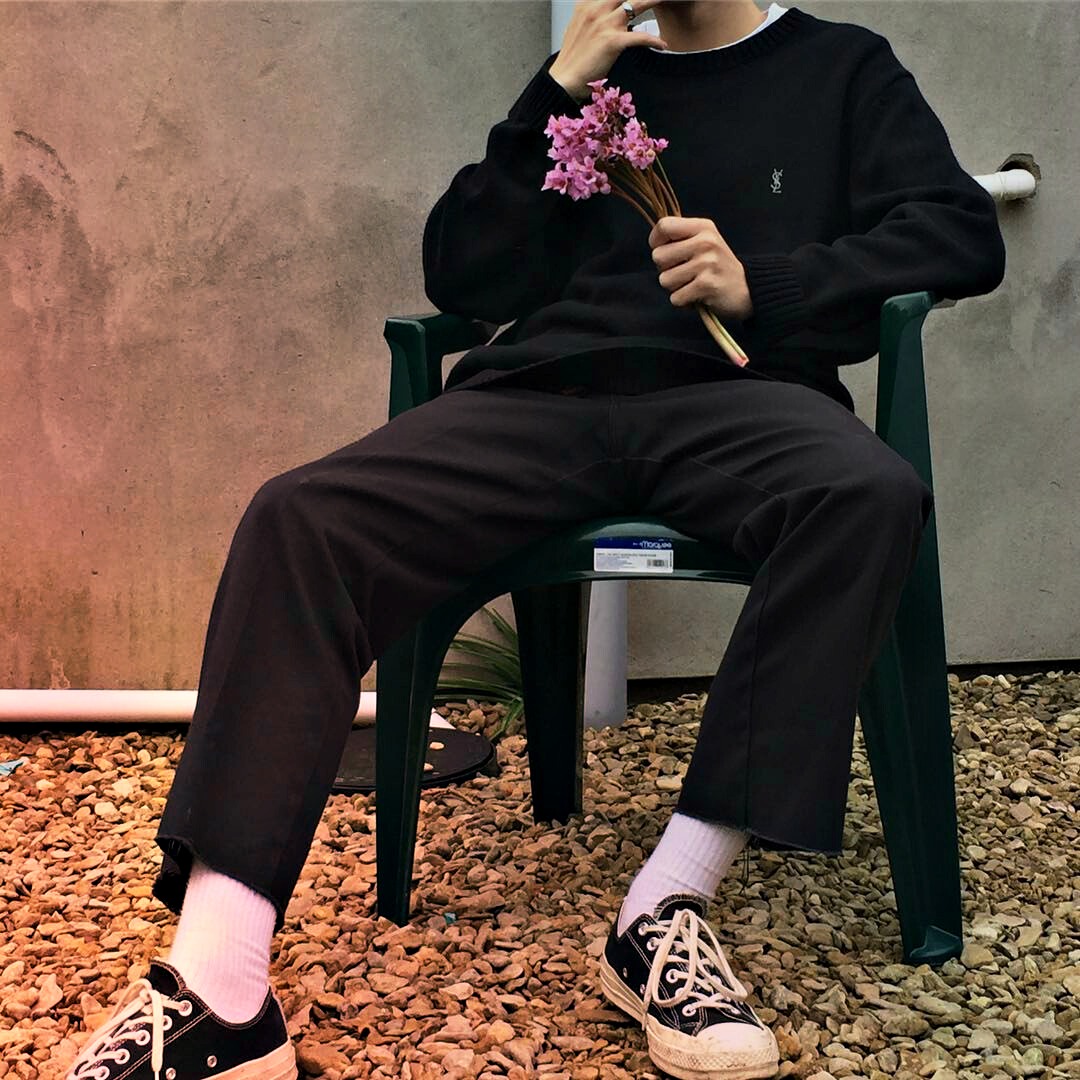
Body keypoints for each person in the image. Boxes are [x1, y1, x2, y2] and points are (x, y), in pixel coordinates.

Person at [64, 1, 1006, 1078]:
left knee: (867, 492)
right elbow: (462, 276)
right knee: (301, 516)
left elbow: (959, 233)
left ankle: (665, 907)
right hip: (540, 399)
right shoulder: (593, 84)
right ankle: (219, 986)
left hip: (739, 396)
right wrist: (552, 92)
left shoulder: (841, 68)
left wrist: (768, 283)